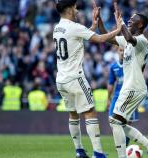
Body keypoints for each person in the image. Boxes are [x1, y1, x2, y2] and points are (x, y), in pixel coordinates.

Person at [53, 0, 123, 158]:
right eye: (75, 7)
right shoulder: (74, 27)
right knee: (90, 112)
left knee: (73, 114)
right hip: (75, 78)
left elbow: (81, 35)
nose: (77, 10)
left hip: (61, 80)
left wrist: (93, 24)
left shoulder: (57, 28)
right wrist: (118, 29)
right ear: (70, 9)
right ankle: (98, 153)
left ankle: (79, 150)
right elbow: (99, 39)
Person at [95, 2, 148, 157]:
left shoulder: (143, 41)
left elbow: (130, 38)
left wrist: (121, 20)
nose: (130, 21)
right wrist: (99, 21)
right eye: (129, 19)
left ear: (141, 24)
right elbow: (106, 36)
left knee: (114, 121)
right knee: (119, 123)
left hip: (134, 87)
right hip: (130, 87)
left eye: (133, 19)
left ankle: (123, 156)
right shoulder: (126, 40)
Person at [107, 47, 139, 146]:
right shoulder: (113, 67)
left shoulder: (133, 65)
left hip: (130, 97)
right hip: (117, 97)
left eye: (124, 51)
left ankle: (124, 145)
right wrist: (108, 98)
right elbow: (111, 83)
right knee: (112, 120)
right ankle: (121, 143)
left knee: (128, 122)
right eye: (121, 50)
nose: (122, 53)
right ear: (117, 51)